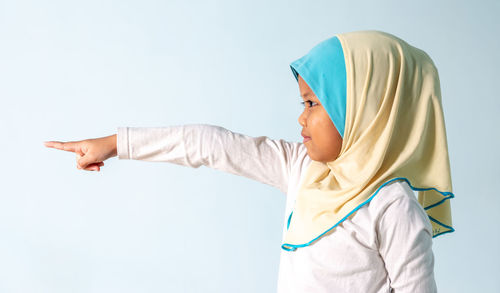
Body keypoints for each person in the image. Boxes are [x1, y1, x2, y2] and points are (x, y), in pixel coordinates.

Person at [44, 30, 455, 292]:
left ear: (366, 110)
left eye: (313, 103)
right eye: (302, 103)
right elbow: (211, 145)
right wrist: (116, 143)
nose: (301, 117)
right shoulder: (302, 169)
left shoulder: (393, 206)